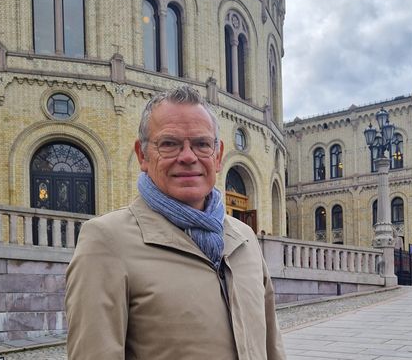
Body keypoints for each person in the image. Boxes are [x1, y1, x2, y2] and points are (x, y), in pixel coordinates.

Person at [65, 85, 287, 360]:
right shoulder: (106, 241)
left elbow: (271, 344)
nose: (188, 156)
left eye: (201, 144)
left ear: (217, 156)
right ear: (143, 155)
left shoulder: (244, 238)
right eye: (169, 144)